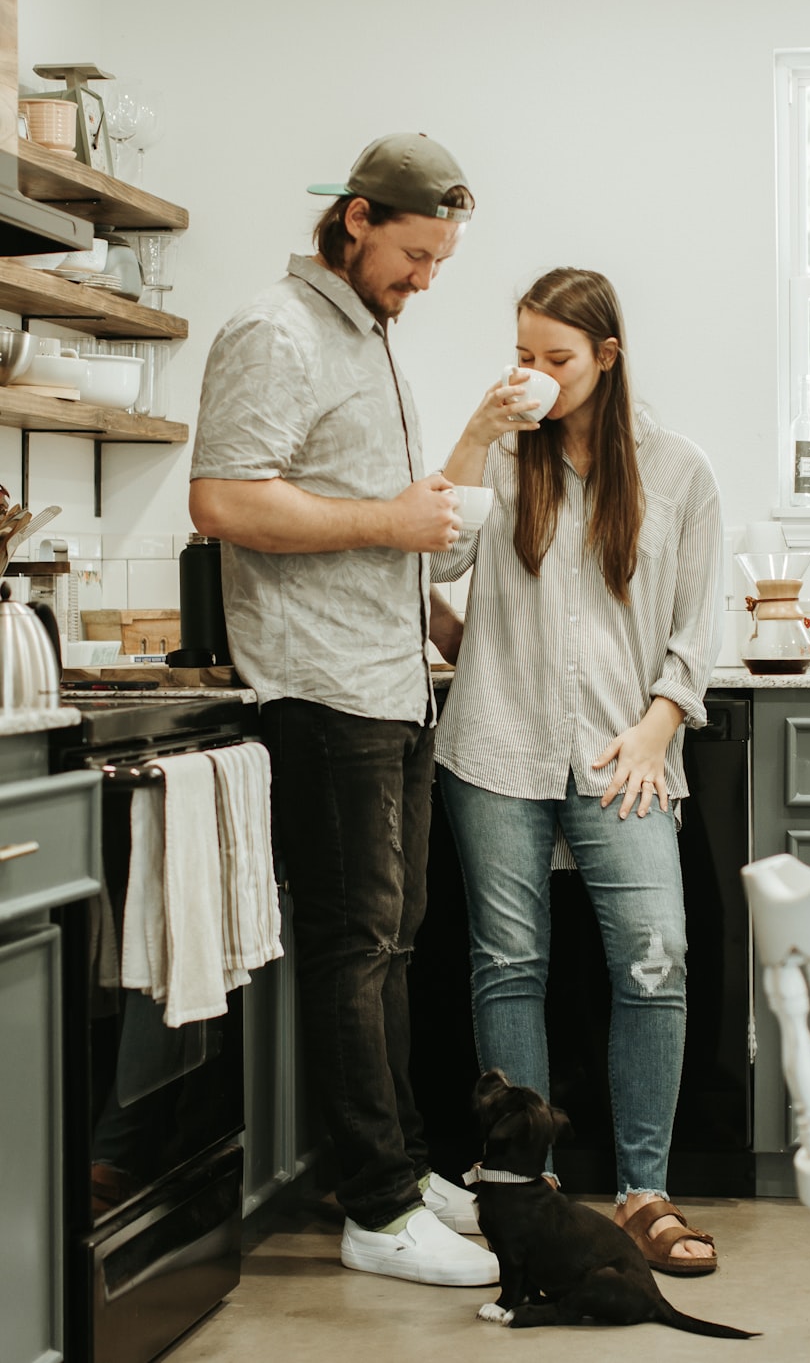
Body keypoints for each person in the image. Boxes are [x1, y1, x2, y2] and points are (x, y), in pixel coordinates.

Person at [188, 132, 498, 1289]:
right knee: (356, 949)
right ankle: (374, 1206)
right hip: (320, 691)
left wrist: (431, 616)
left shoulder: (362, 336)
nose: (425, 280)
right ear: (357, 218)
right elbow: (223, 498)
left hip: (387, 682)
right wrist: (389, 526)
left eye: (439, 263)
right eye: (415, 255)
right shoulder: (276, 330)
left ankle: (404, 1174)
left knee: (390, 946)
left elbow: (386, 516)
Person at [432, 266, 724, 1276]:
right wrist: (478, 427)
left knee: (655, 954)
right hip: (496, 741)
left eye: (556, 357)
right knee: (508, 963)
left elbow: (699, 623)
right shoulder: (505, 460)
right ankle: (533, 1194)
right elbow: (429, 557)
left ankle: (645, 1189)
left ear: (606, 357)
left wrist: (658, 727)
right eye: (523, 354)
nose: (536, 373)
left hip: (621, 750)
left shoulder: (679, 470)